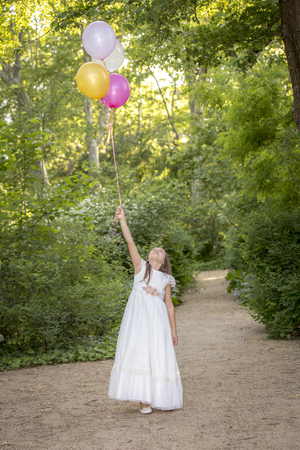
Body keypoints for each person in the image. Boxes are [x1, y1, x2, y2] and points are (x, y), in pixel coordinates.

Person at [108, 206, 183, 414]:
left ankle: (159, 395)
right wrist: (122, 219)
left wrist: (173, 330)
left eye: (160, 250)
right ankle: (143, 400)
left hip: (158, 322)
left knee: (157, 354)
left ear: (164, 260)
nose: (156, 250)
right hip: (138, 320)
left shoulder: (166, 279)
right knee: (140, 353)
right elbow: (130, 241)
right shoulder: (140, 268)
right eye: (153, 249)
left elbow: (169, 305)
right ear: (149, 258)